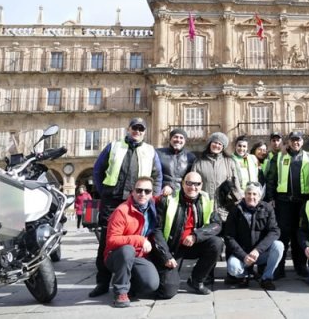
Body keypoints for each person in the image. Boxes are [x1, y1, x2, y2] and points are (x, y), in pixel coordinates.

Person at [89, 117, 163, 298]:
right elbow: (98, 170)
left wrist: (152, 197)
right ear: (128, 129)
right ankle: (102, 282)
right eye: (134, 128)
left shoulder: (150, 150)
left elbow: (157, 175)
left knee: (140, 236)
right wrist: (105, 191)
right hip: (112, 200)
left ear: (144, 132)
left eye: (141, 129)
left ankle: (135, 277)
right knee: (106, 241)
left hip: (138, 198)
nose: (137, 131)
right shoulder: (113, 146)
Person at [152, 172, 223, 297]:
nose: (193, 187)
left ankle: (196, 280)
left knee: (217, 243)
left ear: (201, 185)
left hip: (194, 243)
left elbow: (216, 225)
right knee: (167, 291)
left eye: (197, 184)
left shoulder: (206, 200)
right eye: (189, 183)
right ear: (183, 183)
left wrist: (196, 236)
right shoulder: (168, 200)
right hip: (173, 247)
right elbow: (156, 230)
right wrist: (166, 256)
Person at [104, 177, 160, 308]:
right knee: (127, 250)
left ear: (152, 194)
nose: (142, 194)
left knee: (151, 285)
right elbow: (112, 240)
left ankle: (128, 283)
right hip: (117, 255)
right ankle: (120, 292)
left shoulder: (152, 206)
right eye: (139, 190)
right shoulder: (121, 211)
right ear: (132, 192)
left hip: (138, 255)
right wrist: (139, 239)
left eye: (147, 191)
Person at [266, 131, 309, 278]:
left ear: (302, 141)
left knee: (299, 234)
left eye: (298, 140)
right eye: (293, 140)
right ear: (289, 142)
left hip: (302, 202)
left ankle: (300, 266)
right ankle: (279, 268)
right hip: (283, 202)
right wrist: (270, 197)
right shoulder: (279, 157)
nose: (295, 142)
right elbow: (271, 179)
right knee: (283, 235)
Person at [223, 181, 283, 291]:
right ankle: (244, 275)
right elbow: (228, 237)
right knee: (233, 268)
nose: (251, 197)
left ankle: (266, 278)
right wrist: (243, 256)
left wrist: (258, 250)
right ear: (244, 195)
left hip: (260, 253)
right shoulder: (236, 210)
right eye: (249, 194)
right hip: (242, 254)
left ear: (259, 196)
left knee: (278, 246)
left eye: (255, 194)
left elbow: (274, 231)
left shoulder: (268, 208)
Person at [192, 132, 242, 222]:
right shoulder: (198, 162)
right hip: (204, 207)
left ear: (223, 147)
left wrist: (239, 202)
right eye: (214, 142)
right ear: (210, 144)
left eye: (220, 144)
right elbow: (192, 182)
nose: (217, 145)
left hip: (224, 208)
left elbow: (236, 183)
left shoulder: (229, 162)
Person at [156, 128, 197, 197]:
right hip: (162, 193)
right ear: (170, 139)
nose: (178, 140)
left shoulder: (191, 157)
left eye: (181, 138)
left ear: (185, 141)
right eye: (175, 137)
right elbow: (155, 175)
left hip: (182, 195)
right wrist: (165, 186)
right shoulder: (158, 153)